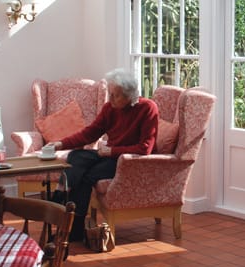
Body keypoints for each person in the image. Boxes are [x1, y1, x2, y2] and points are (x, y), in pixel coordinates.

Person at [45, 69, 160, 242]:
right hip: (108, 154)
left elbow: (145, 148)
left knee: (86, 178)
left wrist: (112, 151)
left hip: (127, 161)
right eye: (109, 94)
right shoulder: (110, 108)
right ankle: (60, 195)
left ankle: (72, 227)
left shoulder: (147, 108)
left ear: (130, 96)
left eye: (115, 95)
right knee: (76, 156)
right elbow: (90, 133)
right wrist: (61, 143)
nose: (110, 99)